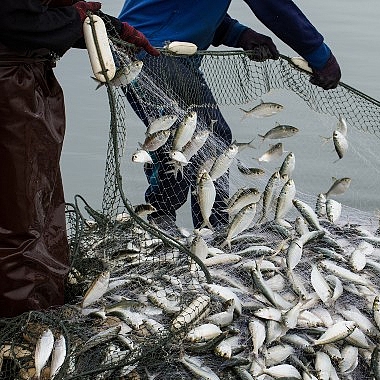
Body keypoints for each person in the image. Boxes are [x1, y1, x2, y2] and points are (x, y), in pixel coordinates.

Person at [118, 0, 342, 234]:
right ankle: (195, 227)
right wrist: (321, 56)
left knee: (194, 138)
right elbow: (274, 6)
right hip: (154, 53)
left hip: (149, 50)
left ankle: (182, 223)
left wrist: (238, 34)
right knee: (200, 139)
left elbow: (189, 8)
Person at [0, 0, 158, 318]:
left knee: (36, 202)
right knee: (22, 213)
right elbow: (14, 22)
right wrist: (75, 18)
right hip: (11, 89)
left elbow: (39, 16)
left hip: (26, 80)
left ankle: (40, 303)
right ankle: (23, 319)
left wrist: (112, 27)